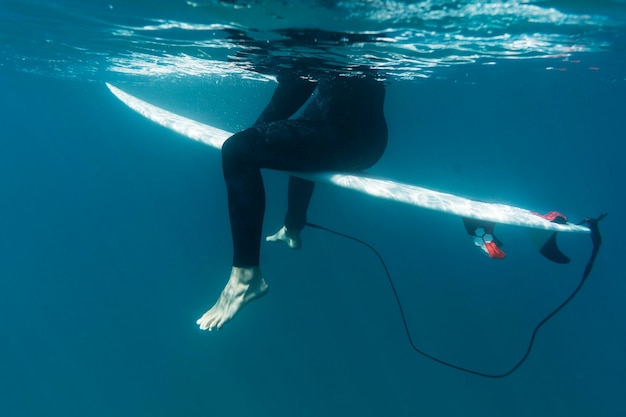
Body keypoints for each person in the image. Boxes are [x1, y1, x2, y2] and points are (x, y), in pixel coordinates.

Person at [196, 68, 388, 331]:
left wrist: (250, 139)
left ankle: (246, 277)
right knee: (302, 137)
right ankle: (292, 228)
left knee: (237, 150)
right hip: (361, 134)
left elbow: (296, 84)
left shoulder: (311, 33)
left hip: (351, 140)